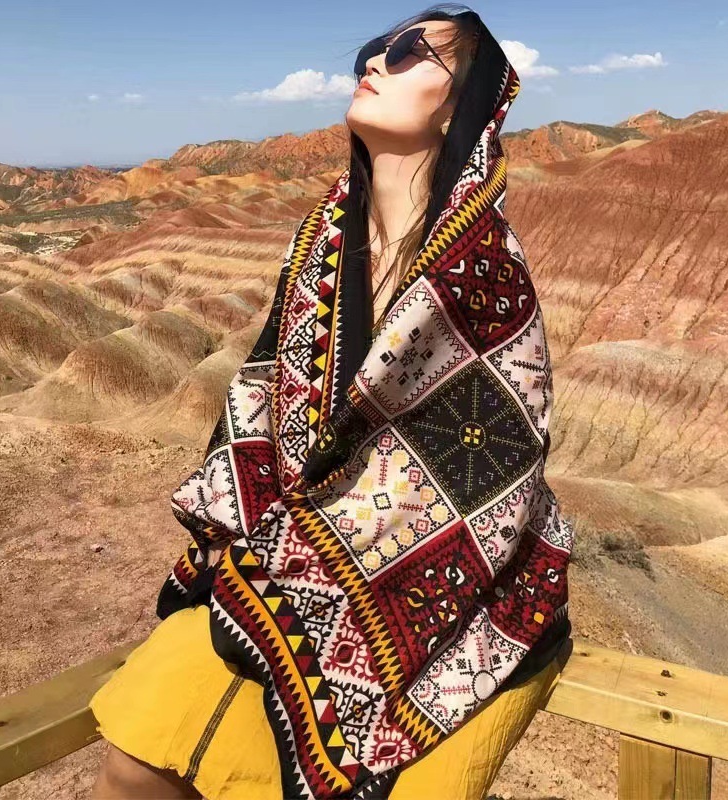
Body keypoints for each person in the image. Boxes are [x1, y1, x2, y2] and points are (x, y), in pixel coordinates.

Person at [89, 5, 573, 799]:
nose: (376, 61)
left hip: (434, 579)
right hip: (297, 540)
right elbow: (265, 388)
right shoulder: (322, 238)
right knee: (130, 766)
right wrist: (246, 517)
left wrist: (312, 561)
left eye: (411, 52)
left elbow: (491, 477)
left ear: (458, 105)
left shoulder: (484, 270)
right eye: (374, 49)